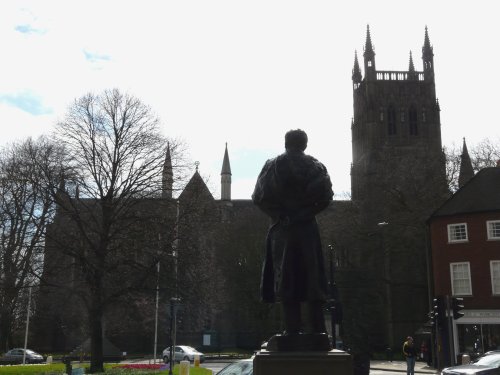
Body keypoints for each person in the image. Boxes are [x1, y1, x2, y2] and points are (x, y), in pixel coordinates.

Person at [252, 129, 333, 344]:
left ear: (286, 143)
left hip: (283, 229)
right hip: (307, 228)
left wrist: (281, 215)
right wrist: (305, 214)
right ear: (305, 145)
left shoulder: (273, 165)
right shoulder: (316, 166)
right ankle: (318, 332)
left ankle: (292, 331)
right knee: (312, 276)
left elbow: (258, 197)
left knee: (286, 277)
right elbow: (326, 197)